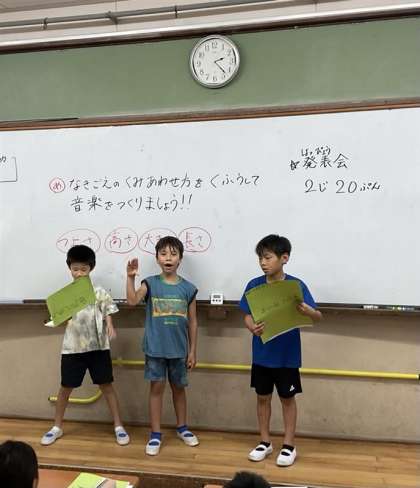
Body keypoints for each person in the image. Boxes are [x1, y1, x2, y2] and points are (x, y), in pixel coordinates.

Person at [239, 234, 322, 467]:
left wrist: (308, 311)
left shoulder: (296, 286)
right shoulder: (254, 285)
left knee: (287, 399)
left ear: (284, 258)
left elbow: (317, 316)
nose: (263, 263)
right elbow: (246, 314)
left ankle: (288, 445)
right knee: (262, 397)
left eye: (268, 258)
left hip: (287, 356)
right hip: (262, 354)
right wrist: (251, 327)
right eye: (260, 258)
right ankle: (265, 442)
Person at [41, 245, 130, 446]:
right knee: (65, 387)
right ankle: (56, 427)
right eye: (75, 269)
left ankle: (118, 426)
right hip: (73, 348)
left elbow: (107, 310)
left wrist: (110, 326)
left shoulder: (99, 292)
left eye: (84, 269)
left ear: (91, 268)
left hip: (98, 348)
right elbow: (59, 318)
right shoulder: (65, 295)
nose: (79, 273)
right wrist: (55, 319)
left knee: (106, 386)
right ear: (69, 268)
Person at [126, 236, 199, 456]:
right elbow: (132, 301)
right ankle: (156, 434)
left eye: (173, 254)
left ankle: (182, 428)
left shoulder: (189, 288)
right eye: (164, 254)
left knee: (179, 389)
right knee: (156, 389)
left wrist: (192, 351)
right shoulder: (150, 283)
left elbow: (193, 322)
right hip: (155, 348)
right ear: (157, 258)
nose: (168, 258)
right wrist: (130, 277)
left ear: (180, 259)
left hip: (179, 350)